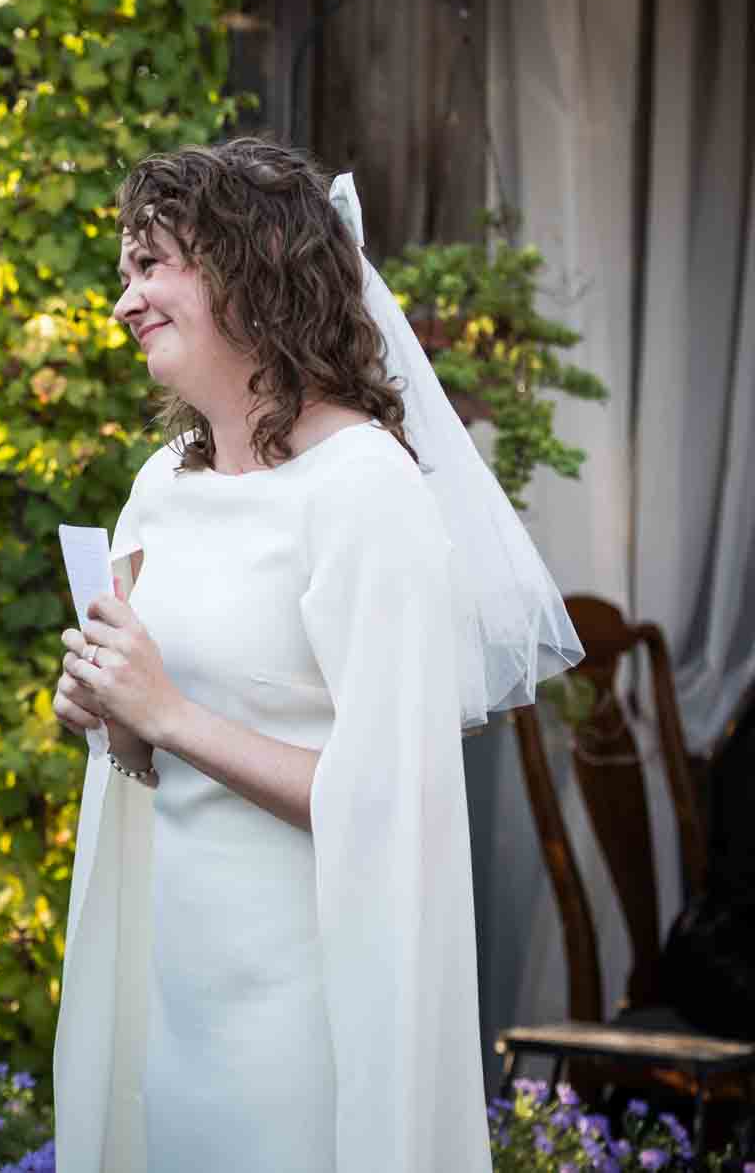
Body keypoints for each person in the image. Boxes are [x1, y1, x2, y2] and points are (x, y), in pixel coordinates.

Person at [49, 138, 579, 1171]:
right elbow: (145, 743)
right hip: (171, 981)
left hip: (303, 1003)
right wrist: (109, 712)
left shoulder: (363, 491)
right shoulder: (163, 482)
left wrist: (165, 713)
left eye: (151, 263)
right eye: (125, 271)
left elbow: (390, 800)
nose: (125, 300)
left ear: (251, 270)